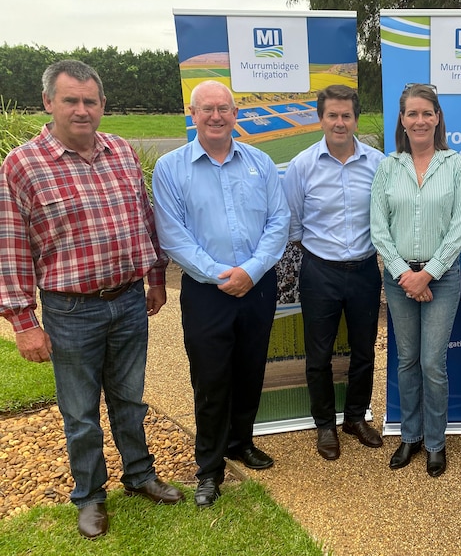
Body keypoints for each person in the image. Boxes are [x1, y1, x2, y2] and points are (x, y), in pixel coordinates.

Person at [0, 60, 184, 539]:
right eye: (70, 101)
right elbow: (12, 246)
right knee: (80, 412)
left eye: (90, 101)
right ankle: (89, 496)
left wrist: (156, 277)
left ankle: (140, 475)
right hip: (69, 310)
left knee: (130, 399)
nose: (81, 110)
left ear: (102, 104)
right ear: (48, 103)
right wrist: (23, 321)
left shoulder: (121, 152)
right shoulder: (23, 165)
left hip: (127, 302)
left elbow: (142, 220)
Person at [152, 80, 289, 508]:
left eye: (223, 109)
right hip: (206, 292)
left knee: (250, 372)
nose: (215, 116)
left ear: (235, 115)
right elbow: (173, 236)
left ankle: (240, 442)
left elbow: (279, 221)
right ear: (192, 115)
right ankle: (209, 469)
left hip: (258, 286)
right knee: (211, 381)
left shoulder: (261, 162)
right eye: (206, 109)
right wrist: (220, 275)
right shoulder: (171, 168)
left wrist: (249, 271)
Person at [370, 83, 461, 477]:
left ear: (437, 117)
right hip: (398, 278)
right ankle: (410, 437)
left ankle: (435, 443)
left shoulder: (456, 165)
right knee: (407, 360)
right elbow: (379, 228)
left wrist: (426, 274)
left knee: (432, 362)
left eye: (426, 112)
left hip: (442, 278)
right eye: (412, 113)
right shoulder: (387, 167)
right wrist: (404, 274)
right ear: (402, 119)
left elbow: (459, 230)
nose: (419, 120)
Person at [283, 85, 385, 461]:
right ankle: (324, 425)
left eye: (346, 116)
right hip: (319, 272)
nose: (339, 123)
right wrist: (318, 261)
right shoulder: (302, 166)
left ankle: (356, 418)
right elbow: (292, 225)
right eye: (332, 115)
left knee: (364, 350)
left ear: (355, 119)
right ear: (320, 118)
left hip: (364, 270)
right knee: (319, 355)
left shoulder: (378, 164)